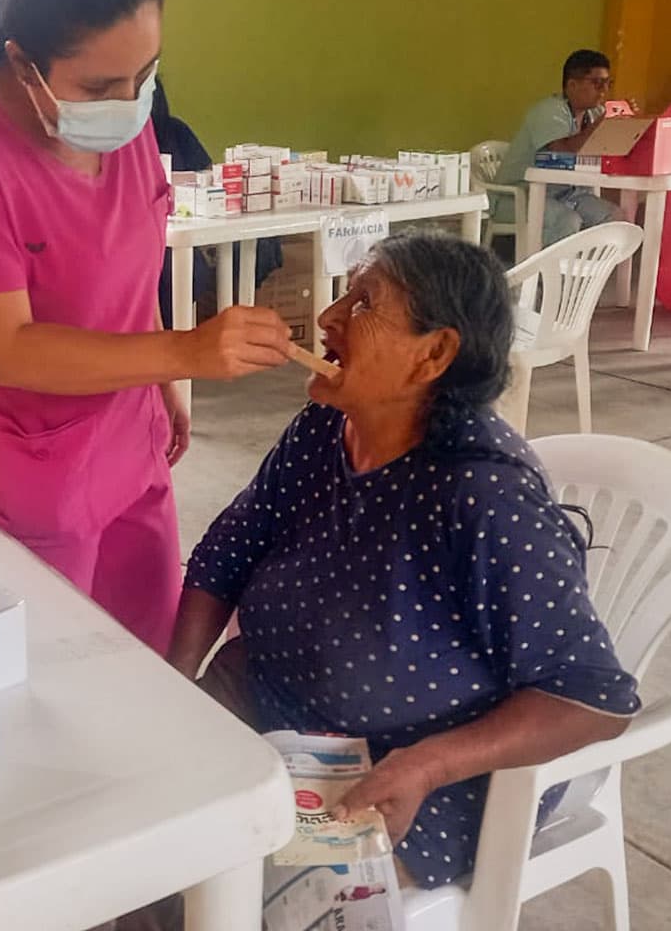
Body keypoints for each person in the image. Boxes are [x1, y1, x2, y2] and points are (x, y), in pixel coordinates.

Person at [167, 231, 639, 891]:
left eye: (363, 304)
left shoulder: (485, 497)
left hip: (402, 778)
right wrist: (177, 686)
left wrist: (428, 765)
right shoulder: (324, 429)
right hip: (267, 707)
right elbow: (228, 552)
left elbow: (594, 696)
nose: (329, 318)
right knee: (141, 839)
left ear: (434, 354)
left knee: (234, 888)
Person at [0, 0, 293, 654]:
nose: (129, 100)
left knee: (145, 650)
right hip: (30, 469)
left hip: (129, 439)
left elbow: (128, 258)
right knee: (49, 674)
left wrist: (162, 381)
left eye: (146, 75)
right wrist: (182, 354)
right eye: (100, 83)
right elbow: (7, 350)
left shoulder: (129, 121)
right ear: (24, 63)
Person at [151, 76, 282, 328]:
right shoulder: (124, 144)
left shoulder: (176, 131)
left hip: (196, 223)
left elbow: (211, 175)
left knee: (249, 247)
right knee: (183, 270)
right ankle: (174, 335)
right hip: (164, 234)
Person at [496, 49, 631, 246]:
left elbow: (611, 149)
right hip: (519, 195)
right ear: (572, 85)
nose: (603, 91)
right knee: (567, 220)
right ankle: (544, 276)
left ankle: (588, 276)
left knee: (615, 218)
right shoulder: (548, 111)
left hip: (567, 194)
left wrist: (626, 122)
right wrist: (600, 126)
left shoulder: (594, 114)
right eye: (596, 83)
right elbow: (562, 152)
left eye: (608, 83)